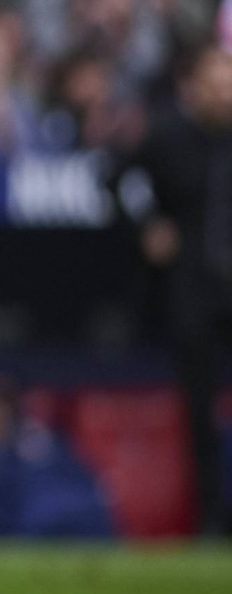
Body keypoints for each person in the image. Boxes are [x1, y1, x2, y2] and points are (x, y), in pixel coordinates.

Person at [117, 45, 232, 536]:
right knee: (199, 411)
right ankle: (210, 517)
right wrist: (147, 225)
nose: (223, 95)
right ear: (195, 86)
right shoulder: (168, 135)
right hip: (194, 290)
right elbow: (119, 179)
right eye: (216, 85)